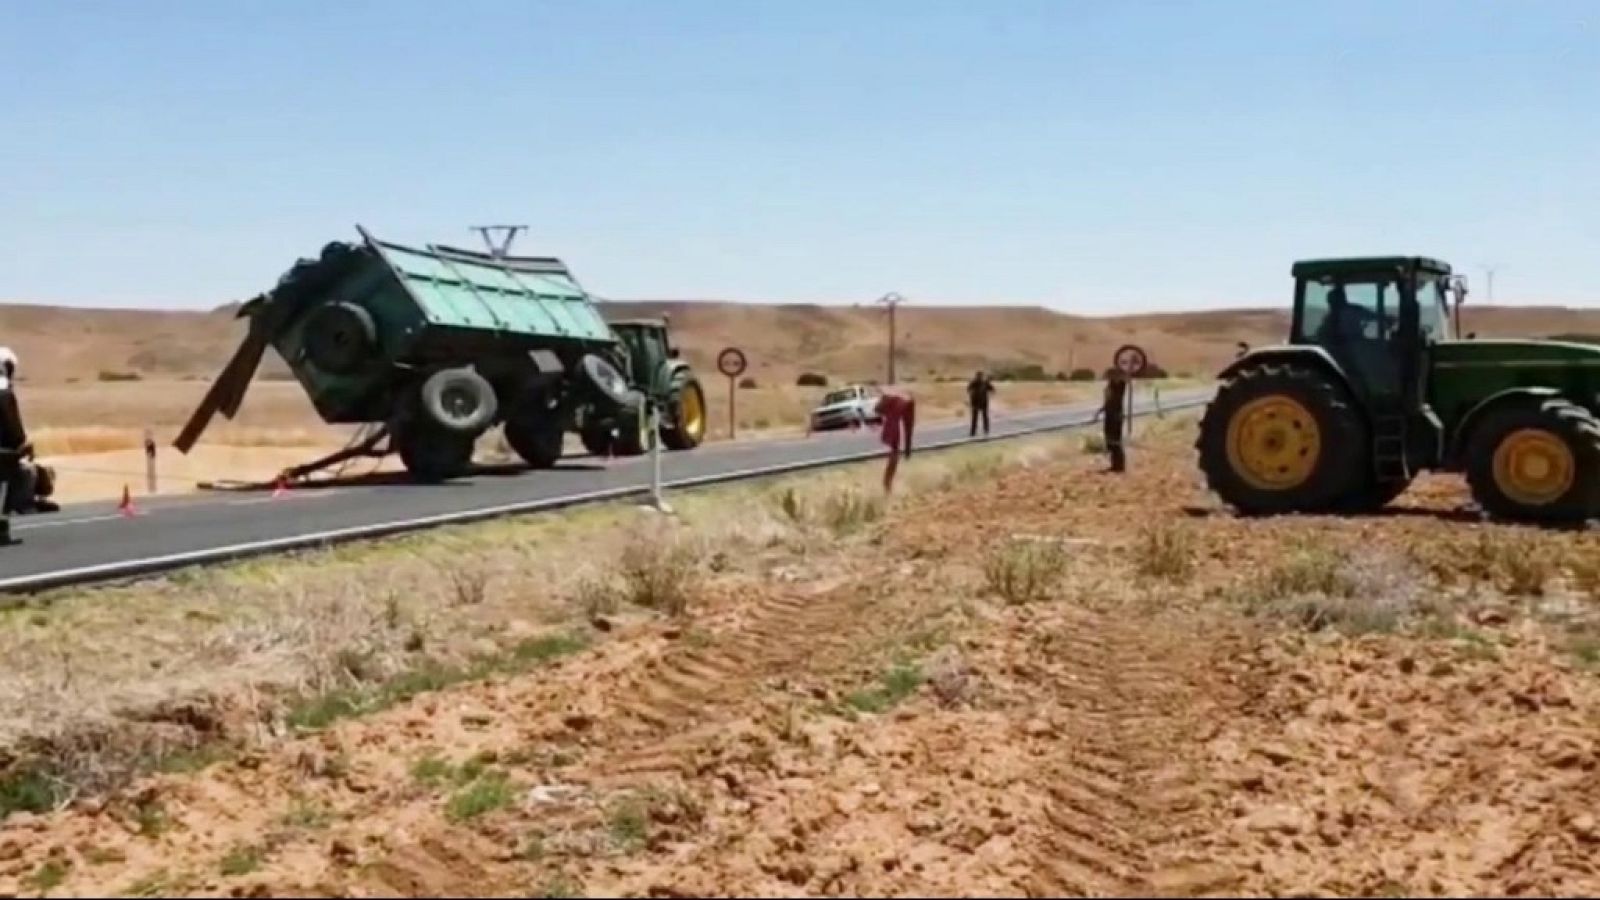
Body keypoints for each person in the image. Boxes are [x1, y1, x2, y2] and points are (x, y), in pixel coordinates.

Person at [0, 348, 58, 517]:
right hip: (4, 455)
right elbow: (16, 434)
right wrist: (24, 447)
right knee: (27, 471)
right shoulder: (4, 393)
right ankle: (22, 505)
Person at [875, 387, 916, 492]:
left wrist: (907, 448)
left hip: (895, 412)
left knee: (894, 454)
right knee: (894, 453)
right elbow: (908, 428)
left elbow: (908, 428)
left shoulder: (897, 403)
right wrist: (907, 449)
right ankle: (887, 484)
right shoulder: (897, 404)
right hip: (894, 419)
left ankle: (887, 484)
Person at [1090, 368, 1129, 473]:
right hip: (1110, 415)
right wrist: (1099, 412)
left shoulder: (1119, 386)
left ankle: (1119, 466)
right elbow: (1108, 401)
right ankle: (1115, 465)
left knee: (1115, 441)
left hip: (1115, 416)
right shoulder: (1111, 386)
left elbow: (1125, 379)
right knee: (1110, 441)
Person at [966, 370, 995, 438]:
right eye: (978, 376)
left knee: (984, 417)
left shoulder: (985, 383)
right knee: (975, 418)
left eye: (980, 376)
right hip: (975, 403)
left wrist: (989, 395)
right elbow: (968, 390)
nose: (979, 378)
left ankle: (985, 430)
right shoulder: (973, 382)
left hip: (983, 403)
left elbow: (992, 390)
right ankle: (973, 432)